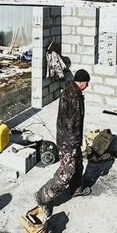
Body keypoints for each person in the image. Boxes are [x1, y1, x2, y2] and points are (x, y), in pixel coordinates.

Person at [35, 69, 90, 216]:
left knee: (78, 163)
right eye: (87, 83)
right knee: (66, 172)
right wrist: (72, 145)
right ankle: (42, 196)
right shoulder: (73, 98)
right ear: (81, 82)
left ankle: (76, 189)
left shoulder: (72, 92)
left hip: (71, 139)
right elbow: (71, 124)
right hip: (68, 141)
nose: (88, 86)